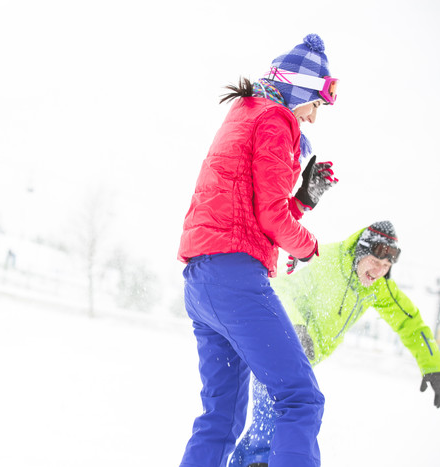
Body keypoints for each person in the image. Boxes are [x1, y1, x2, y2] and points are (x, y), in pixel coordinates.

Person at [177, 34, 339, 467]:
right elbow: (270, 219)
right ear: (301, 90)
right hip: (234, 278)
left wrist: (302, 200)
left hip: (201, 280)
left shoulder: (246, 112)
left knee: (220, 418)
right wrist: (308, 248)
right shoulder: (276, 119)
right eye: (316, 105)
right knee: (300, 399)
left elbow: (253, 210)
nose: (313, 117)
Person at [229, 221, 440, 467]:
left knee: (284, 416)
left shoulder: (377, 287)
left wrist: (432, 365)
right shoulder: (326, 260)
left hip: (300, 356)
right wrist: (296, 327)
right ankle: (260, 461)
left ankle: (253, 461)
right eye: (375, 261)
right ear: (362, 251)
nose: (379, 271)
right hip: (277, 340)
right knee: (288, 410)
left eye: (386, 266)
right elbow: (282, 289)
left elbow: (410, 323)